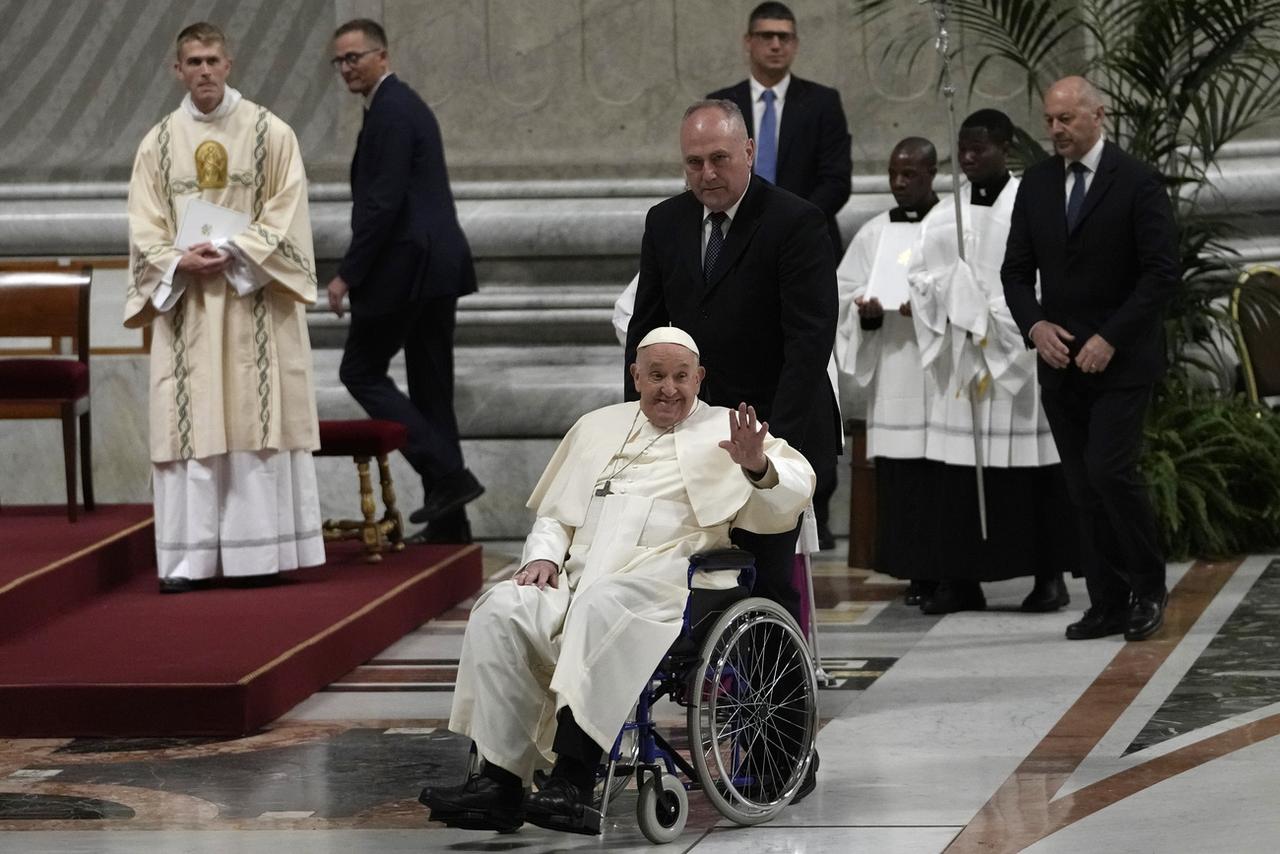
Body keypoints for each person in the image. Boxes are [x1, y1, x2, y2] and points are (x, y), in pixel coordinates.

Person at [419, 326, 815, 835]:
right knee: (502, 607)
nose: (668, 388)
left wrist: (756, 465)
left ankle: (574, 779)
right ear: (635, 376)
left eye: (679, 377)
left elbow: (795, 489)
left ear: (700, 378)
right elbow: (555, 516)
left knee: (603, 605)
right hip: (580, 574)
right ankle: (499, 781)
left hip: (669, 577)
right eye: (655, 376)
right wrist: (541, 558)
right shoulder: (595, 427)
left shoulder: (729, 429)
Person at [125, 22, 324, 593]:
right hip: (187, 306)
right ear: (177, 70)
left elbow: (289, 210)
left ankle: (257, 557)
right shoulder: (158, 143)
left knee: (251, 417)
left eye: (213, 60)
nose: (204, 71)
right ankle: (189, 562)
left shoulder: (270, 132)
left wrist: (237, 248)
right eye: (193, 62)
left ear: (229, 64)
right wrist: (174, 260)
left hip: (252, 301)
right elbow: (143, 225)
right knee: (194, 424)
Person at [624, 99, 838, 623]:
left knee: (764, 574)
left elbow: (809, 343)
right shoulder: (666, 222)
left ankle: (777, 700)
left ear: (748, 151)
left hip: (773, 424)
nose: (707, 173)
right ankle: (712, 681)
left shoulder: (796, 222)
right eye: (694, 162)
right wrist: (638, 422)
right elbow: (646, 330)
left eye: (719, 158)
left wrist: (771, 445)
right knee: (688, 569)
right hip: (695, 430)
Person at [1002, 77, 1178, 641]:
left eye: (1066, 119)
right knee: (1081, 486)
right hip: (1058, 362)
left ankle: (1148, 588)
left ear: (1098, 115)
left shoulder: (1137, 181)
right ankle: (1106, 600)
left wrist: (1112, 338)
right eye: (1049, 120)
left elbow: (1160, 273)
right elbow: (1014, 271)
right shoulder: (1036, 184)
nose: (1055, 130)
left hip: (1121, 362)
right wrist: (1034, 325)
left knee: (1111, 471)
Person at [906, 109, 1075, 614]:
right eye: (963, 149)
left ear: (1006, 147)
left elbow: (1049, 273)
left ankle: (1048, 579)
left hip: (1015, 354)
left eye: (979, 148)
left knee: (1031, 476)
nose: (969, 158)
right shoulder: (943, 215)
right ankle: (962, 580)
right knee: (958, 479)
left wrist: (995, 316)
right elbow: (920, 278)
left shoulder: (1033, 203)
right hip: (962, 359)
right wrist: (952, 298)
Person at [326, 18, 482, 545]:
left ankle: (451, 476)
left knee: (360, 369)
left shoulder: (391, 111)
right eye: (340, 61)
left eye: (355, 57)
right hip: (432, 269)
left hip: (407, 269)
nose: (347, 68)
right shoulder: (398, 106)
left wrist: (348, 274)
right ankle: (450, 521)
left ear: (382, 56)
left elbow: (382, 203)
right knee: (432, 390)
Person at [708, 0, 852, 548]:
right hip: (734, 251)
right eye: (765, 36)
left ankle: (812, 495)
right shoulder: (724, 106)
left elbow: (835, 180)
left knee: (810, 368)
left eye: (785, 36)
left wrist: (784, 226)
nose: (775, 45)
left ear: (794, 44)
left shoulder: (822, 103)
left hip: (802, 250)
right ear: (748, 41)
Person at [835, 137, 943, 605]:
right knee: (902, 480)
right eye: (894, 173)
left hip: (941, 374)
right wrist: (868, 314)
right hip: (896, 371)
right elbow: (844, 292)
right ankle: (916, 572)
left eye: (911, 174)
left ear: (932, 173)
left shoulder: (952, 226)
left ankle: (950, 571)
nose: (900, 182)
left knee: (941, 477)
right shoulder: (875, 232)